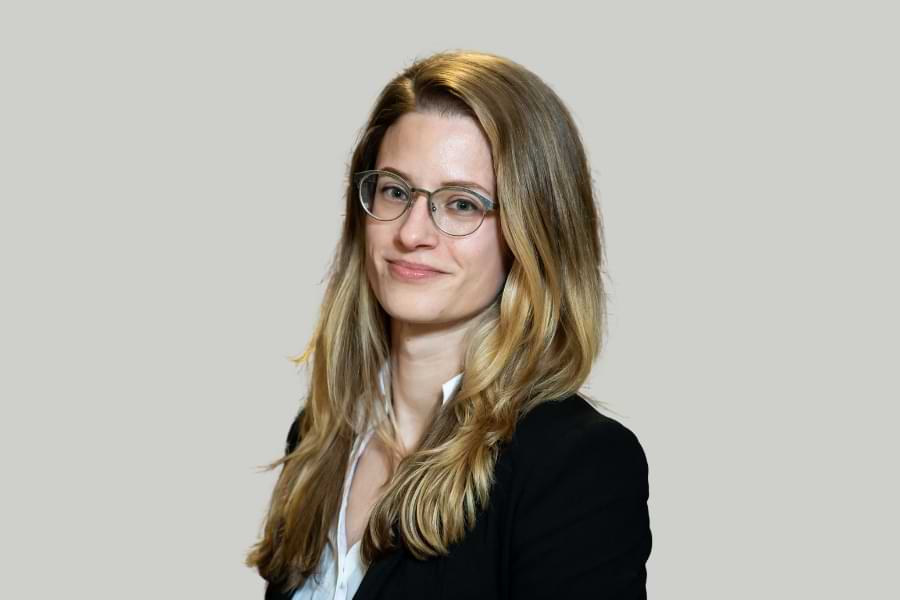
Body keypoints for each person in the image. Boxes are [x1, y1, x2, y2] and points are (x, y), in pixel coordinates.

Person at [246, 50, 652, 599]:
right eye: (395, 191)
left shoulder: (575, 465)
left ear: (532, 234)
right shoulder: (319, 438)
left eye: (461, 204)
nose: (412, 232)